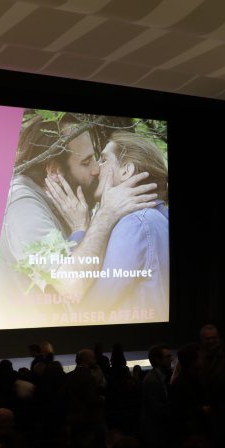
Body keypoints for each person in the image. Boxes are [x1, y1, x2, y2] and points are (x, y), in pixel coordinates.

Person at [0, 113, 159, 327]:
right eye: (86, 162)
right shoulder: (22, 204)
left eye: (96, 158)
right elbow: (71, 286)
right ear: (55, 171)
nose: (96, 169)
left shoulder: (65, 201)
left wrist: (81, 228)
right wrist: (105, 215)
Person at [78, 130, 170, 320]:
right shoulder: (158, 217)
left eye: (104, 160)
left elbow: (92, 306)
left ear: (126, 171)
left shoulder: (135, 223)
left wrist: (78, 231)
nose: (96, 168)